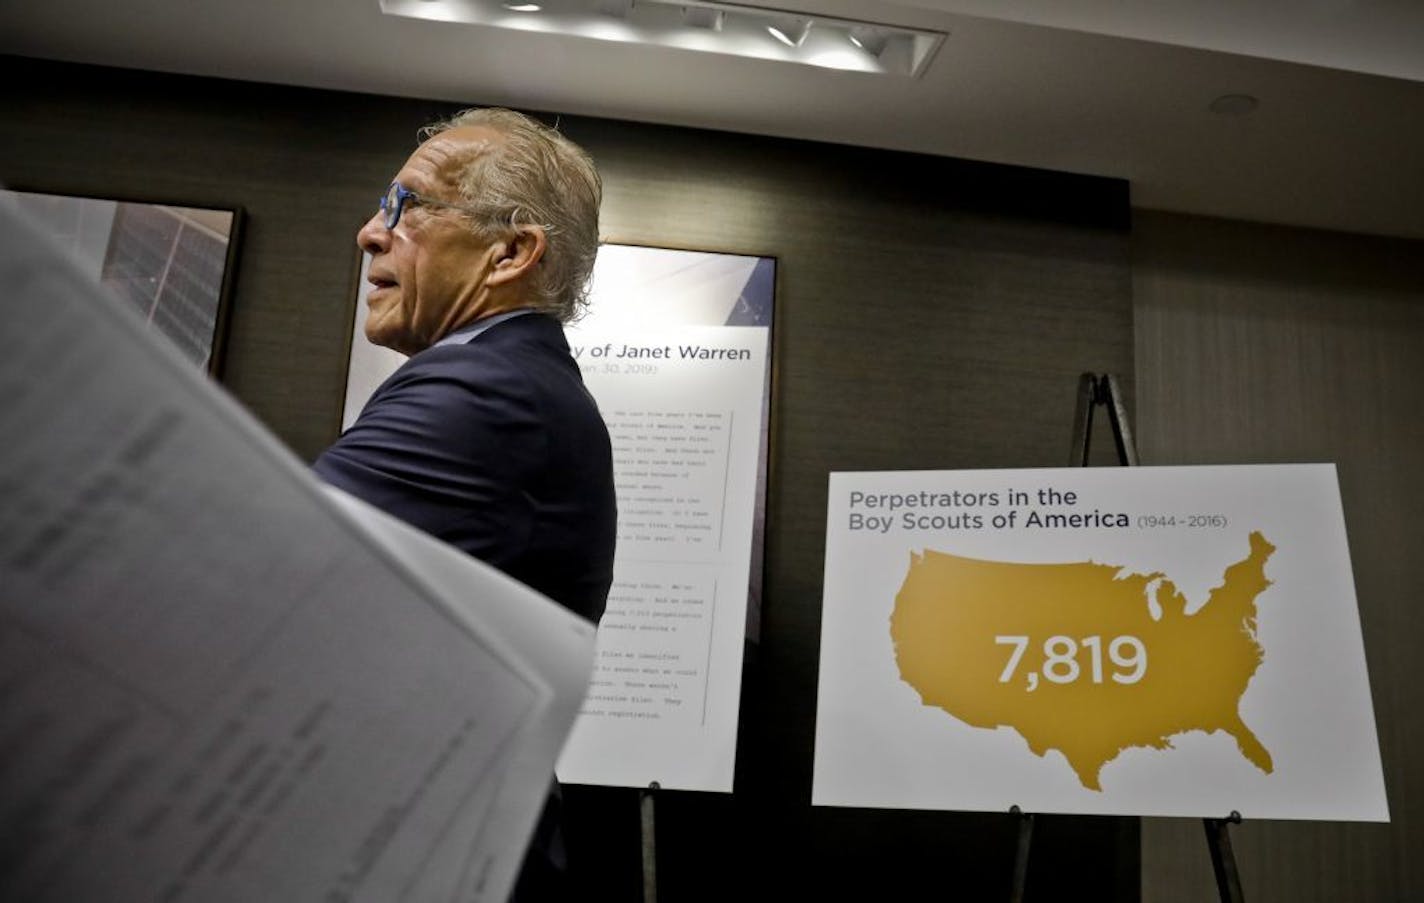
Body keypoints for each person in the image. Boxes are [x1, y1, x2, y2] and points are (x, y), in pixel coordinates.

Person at [313, 107, 617, 898]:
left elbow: (251, 562)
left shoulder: (489, 391)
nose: (370, 233)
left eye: (406, 206)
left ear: (510, 252)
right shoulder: (515, 381)